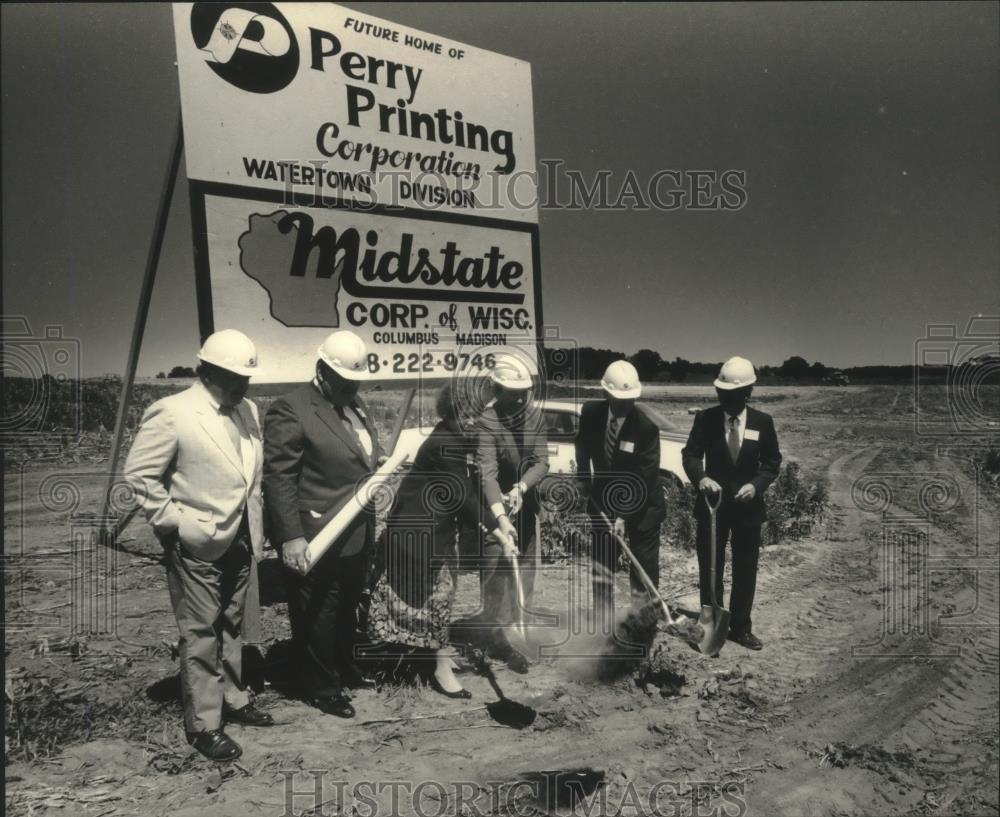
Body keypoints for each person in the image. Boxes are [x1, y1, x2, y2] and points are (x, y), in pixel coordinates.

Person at [125, 329, 274, 762]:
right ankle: (205, 725)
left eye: (246, 377)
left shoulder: (248, 409)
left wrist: (255, 529)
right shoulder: (172, 412)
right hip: (195, 542)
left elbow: (251, 475)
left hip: (240, 536)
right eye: (234, 377)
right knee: (200, 632)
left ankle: (234, 698)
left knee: (230, 624)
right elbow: (140, 475)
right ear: (207, 371)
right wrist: (175, 523)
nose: (244, 385)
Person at [367, 381, 516, 699]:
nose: (476, 421)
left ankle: (423, 658)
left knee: (436, 598)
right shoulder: (445, 442)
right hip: (417, 533)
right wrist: (496, 530)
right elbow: (462, 494)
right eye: (469, 414)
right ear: (453, 412)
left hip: (435, 531)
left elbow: (473, 488)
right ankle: (438, 667)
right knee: (437, 597)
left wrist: (500, 521)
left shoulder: (458, 437)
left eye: (478, 414)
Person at [262, 331, 382, 718]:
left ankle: (345, 667)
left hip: (356, 530)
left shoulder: (355, 406)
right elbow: (279, 477)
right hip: (314, 533)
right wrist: (291, 536)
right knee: (318, 611)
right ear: (322, 371)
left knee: (347, 605)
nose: (352, 388)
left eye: (356, 382)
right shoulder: (291, 408)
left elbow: (361, 460)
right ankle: (321, 686)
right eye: (345, 382)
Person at [681, 356, 782, 650]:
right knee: (710, 568)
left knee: (745, 569)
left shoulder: (763, 422)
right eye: (721, 394)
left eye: (732, 395)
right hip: (712, 509)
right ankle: (709, 629)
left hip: (748, 510)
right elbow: (690, 455)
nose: (724, 399)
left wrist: (756, 485)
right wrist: (700, 478)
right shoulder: (706, 419)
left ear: (747, 393)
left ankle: (741, 627)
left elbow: (772, 462)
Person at [575, 360, 665, 629]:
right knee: (603, 565)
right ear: (606, 393)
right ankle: (603, 623)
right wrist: (583, 477)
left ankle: (643, 624)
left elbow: (644, 476)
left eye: (630, 399)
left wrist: (624, 516)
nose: (625, 404)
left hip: (644, 506)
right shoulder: (590, 413)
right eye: (619, 399)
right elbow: (582, 445)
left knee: (642, 568)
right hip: (602, 501)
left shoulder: (646, 429)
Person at [475, 350, 549, 673]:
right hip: (493, 509)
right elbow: (486, 473)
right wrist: (502, 517)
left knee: (525, 570)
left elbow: (541, 461)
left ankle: (520, 630)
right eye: (513, 396)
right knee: (497, 571)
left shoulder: (535, 417)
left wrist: (522, 488)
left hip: (525, 500)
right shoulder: (487, 422)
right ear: (497, 391)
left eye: (524, 395)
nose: (520, 402)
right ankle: (495, 637)